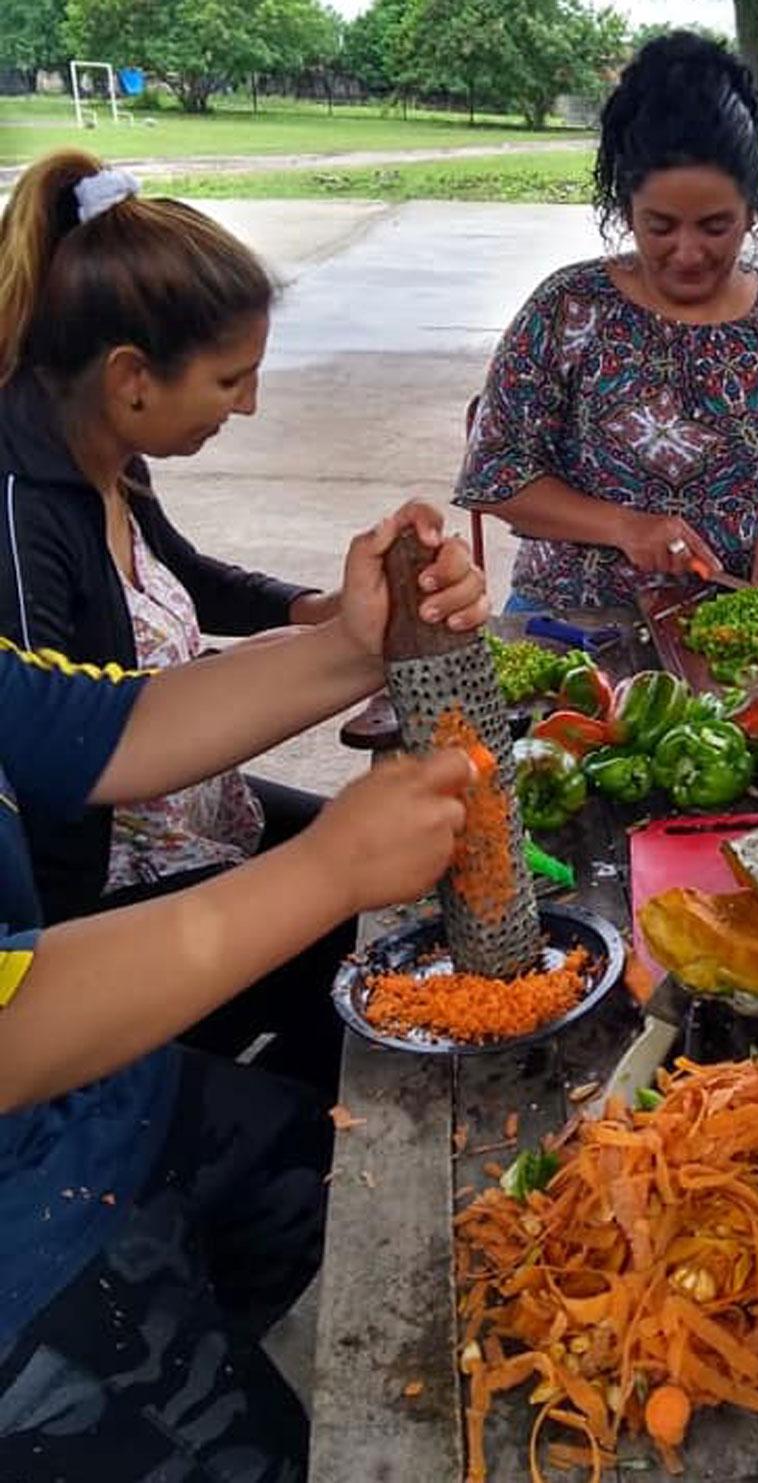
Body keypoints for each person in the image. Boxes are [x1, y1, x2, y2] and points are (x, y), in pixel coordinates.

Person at [0, 500, 485, 1480]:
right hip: (20, 1254)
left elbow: (90, 725)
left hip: (74, 1108)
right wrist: (326, 870)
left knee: (327, 1180)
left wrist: (357, 643)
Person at [0, 151, 355, 1090]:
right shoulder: (21, 518)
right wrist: (321, 655)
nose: (250, 402)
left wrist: (312, 610)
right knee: (351, 939)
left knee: (387, 878)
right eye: (231, 379)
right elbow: (67, 768)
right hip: (99, 889)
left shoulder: (103, 447)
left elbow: (182, 574)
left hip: (188, 801)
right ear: (133, 378)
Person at [455, 31, 758, 612]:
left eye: (714, 227)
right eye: (660, 226)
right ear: (624, 207)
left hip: (742, 620)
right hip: (574, 623)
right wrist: (627, 527)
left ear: (752, 211)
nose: (686, 253)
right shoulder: (569, 309)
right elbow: (497, 472)